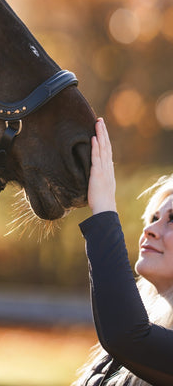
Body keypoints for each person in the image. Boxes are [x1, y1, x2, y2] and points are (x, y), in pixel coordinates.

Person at [73, 118, 173, 386]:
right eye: (153, 216)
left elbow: (127, 337)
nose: (150, 228)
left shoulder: (131, 335)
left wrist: (104, 208)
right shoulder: (146, 322)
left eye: (172, 219)